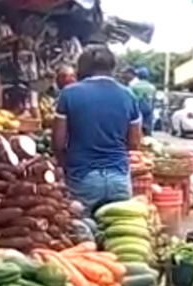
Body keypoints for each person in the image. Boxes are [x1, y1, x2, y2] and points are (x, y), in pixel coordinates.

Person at [53, 47, 143, 218]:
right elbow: (134, 143)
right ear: (112, 67)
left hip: (83, 178)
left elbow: (58, 143)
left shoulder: (69, 94)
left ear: (82, 67)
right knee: (117, 236)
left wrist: (66, 167)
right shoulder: (128, 95)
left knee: (84, 235)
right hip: (119, 178)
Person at [122, 67, 156, 136]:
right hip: (149, 112)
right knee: (147, 134)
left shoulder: (133, 87)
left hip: (138, 111)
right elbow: (153, 101)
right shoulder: (152, 87)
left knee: (136, 133)